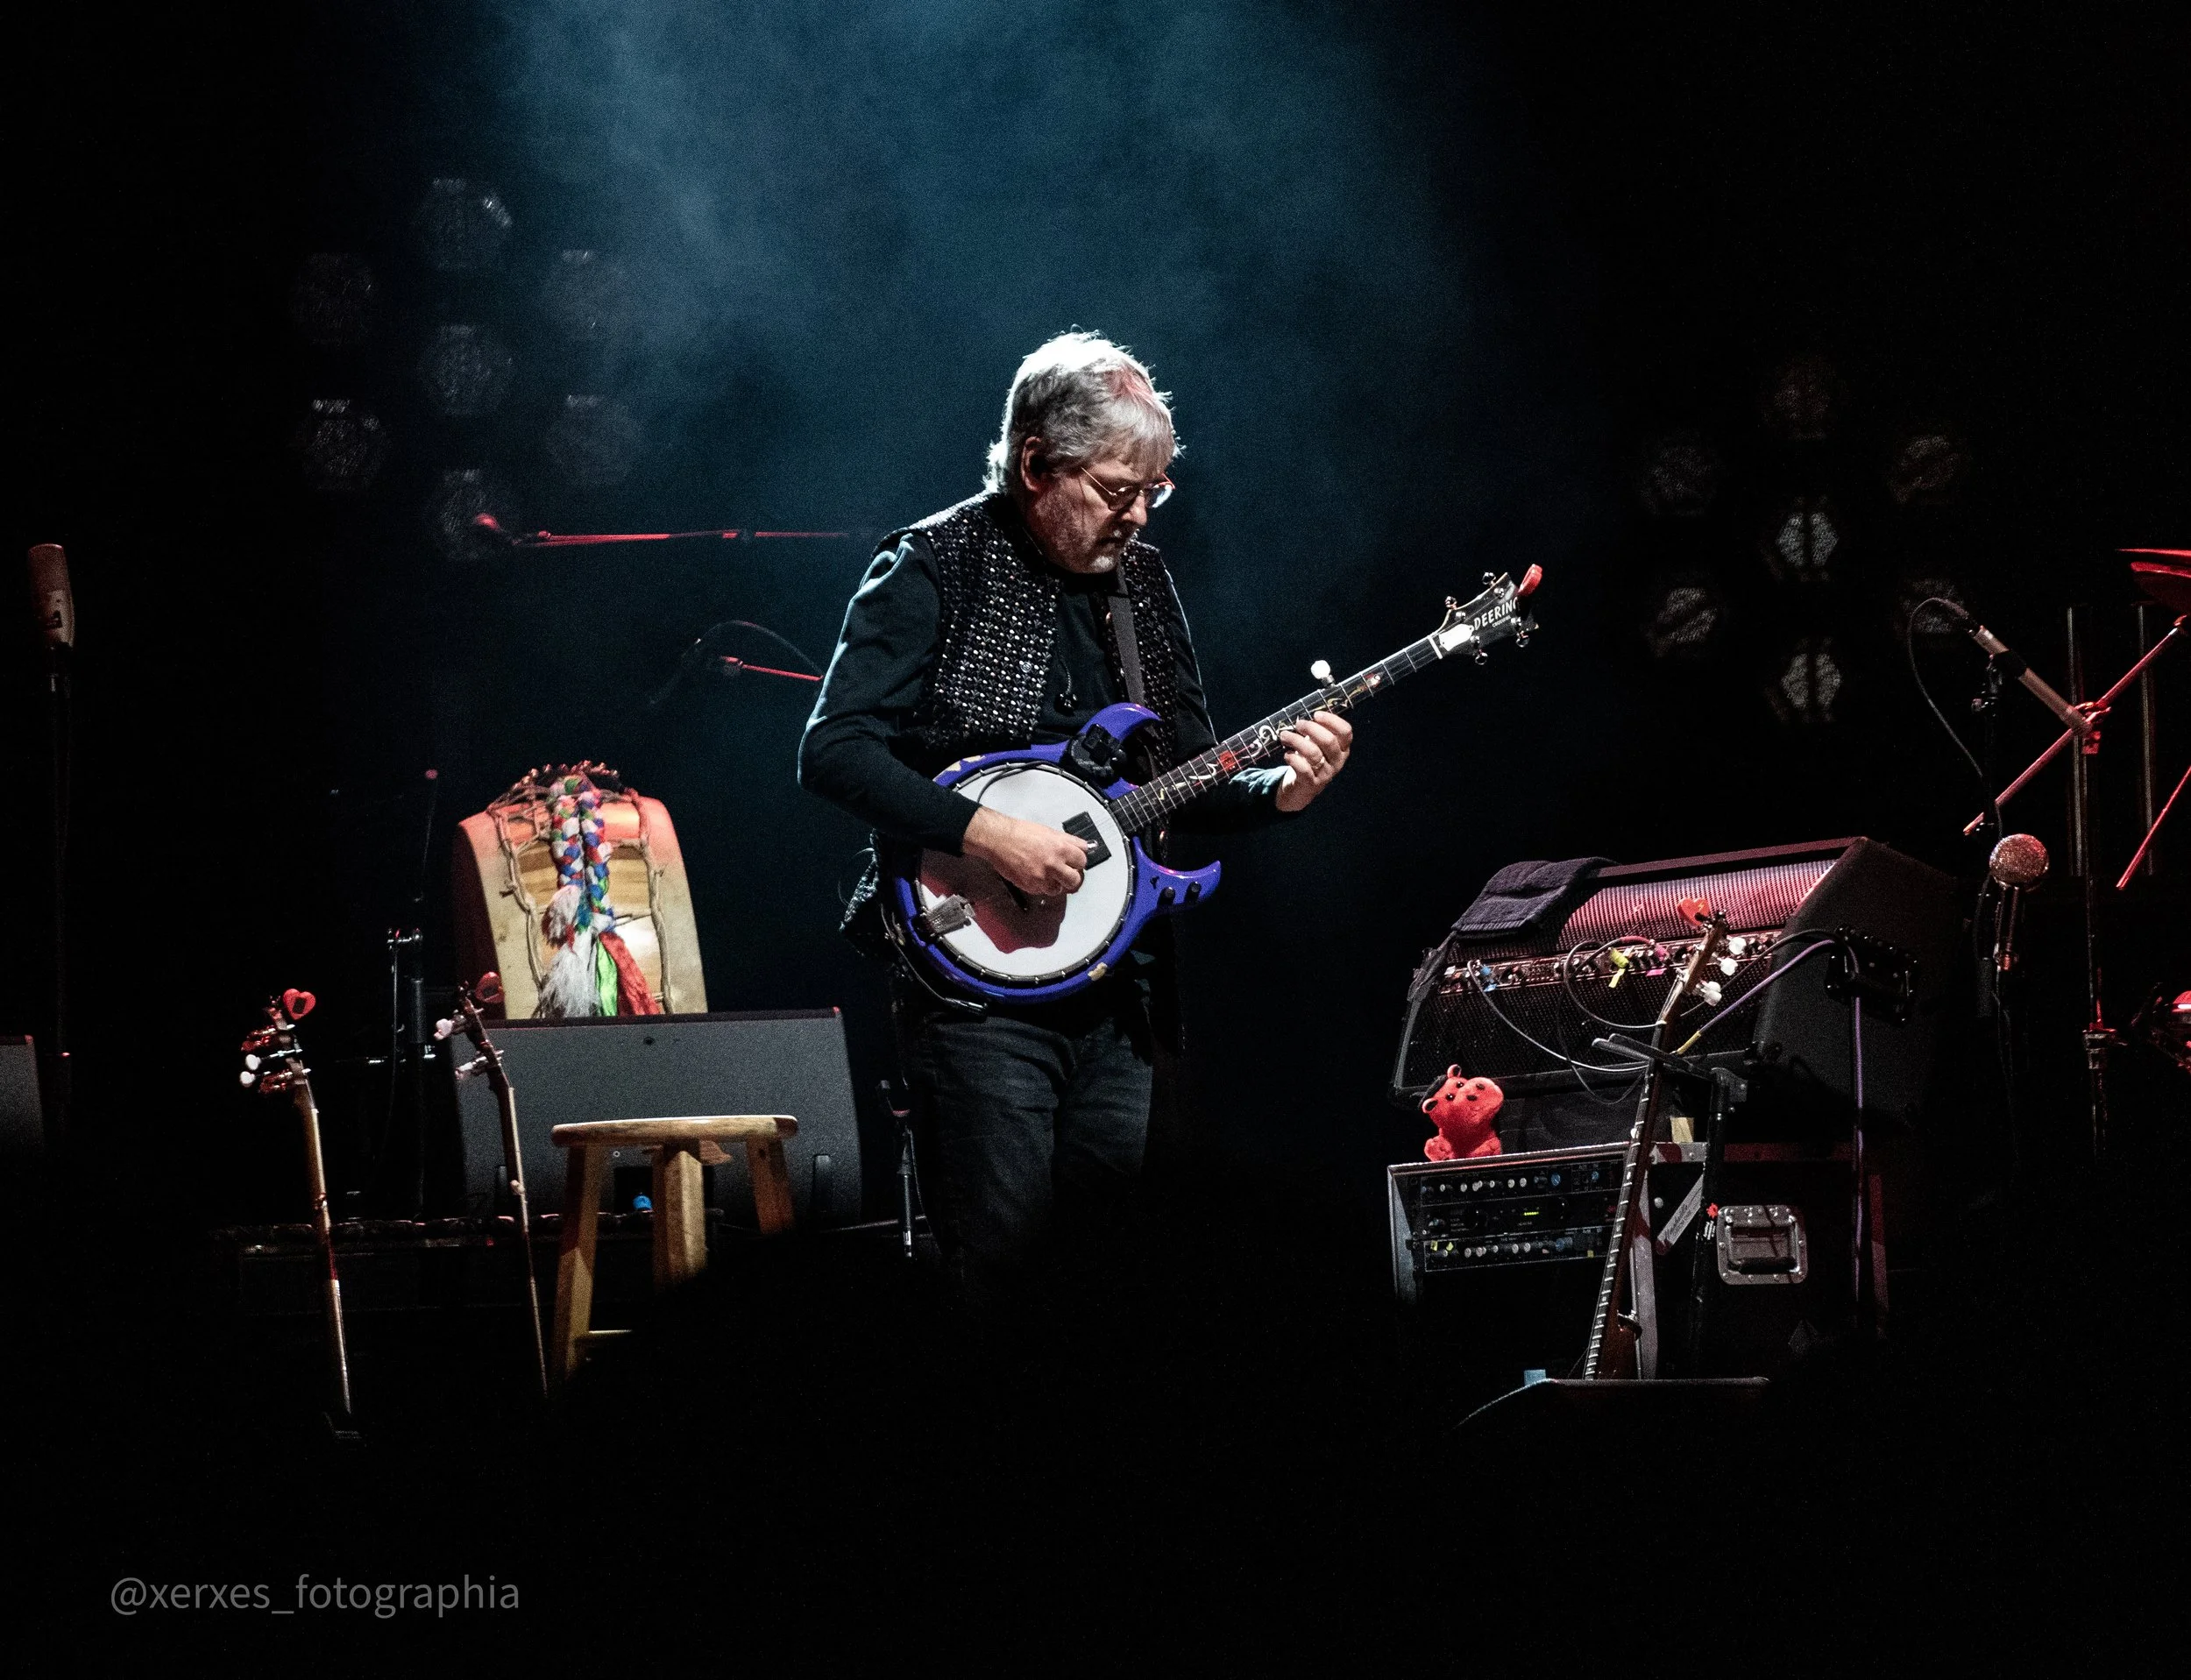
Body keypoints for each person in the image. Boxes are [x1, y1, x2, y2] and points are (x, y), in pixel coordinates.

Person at [799, 331, 1353, 1298]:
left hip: (1121, 995)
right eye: (1114, 490)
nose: (1136, 515)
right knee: (1003, 1280)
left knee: (1108, 1291)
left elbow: (1185, 776)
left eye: (1153, 492)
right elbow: (833, 750)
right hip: (978, 997)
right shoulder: (934, 562)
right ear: (1035, 464)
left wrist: (1281, 792)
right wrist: (987, 833)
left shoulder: (1144, 586)